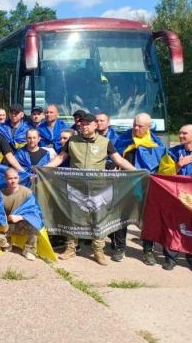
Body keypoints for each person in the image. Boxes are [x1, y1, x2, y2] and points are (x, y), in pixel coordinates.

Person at [46, 113, 135, 265]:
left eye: (87, 124)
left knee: (97, 219)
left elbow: (118, 159)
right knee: (73, 217)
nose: (84, 126)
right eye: (82, 124)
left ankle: (98, 250)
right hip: (75, 187)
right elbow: (60, 158)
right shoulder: (72, 141)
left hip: (97, 188)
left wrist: (136, 171)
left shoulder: (105, 142)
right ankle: (71, 248)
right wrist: (43, 168)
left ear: (95, 125)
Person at [113, 113, 167, 262]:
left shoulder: (156, 143)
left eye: (140, 126)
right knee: (122, 217)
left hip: (146, 185)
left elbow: (163, 166)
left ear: (149, 127)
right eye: (134, 125)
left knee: (148, 219)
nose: (136, 128)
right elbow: (112, 156)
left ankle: (148, 251)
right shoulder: (123, 139)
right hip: (125, 184)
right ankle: (120, 248)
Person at [156, 124, 192, 272]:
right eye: (180, 133)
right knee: (172, 227)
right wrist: (178, 165)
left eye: (184, 133)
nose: (181, 135)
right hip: (176, 197)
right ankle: (170, 258)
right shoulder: (172, 153)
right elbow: (162, 174)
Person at [1, 168, 39, 261]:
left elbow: (35, 212)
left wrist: (20, 217)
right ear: (5, 179)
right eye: (10, 178)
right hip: (5, 224)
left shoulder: (27, 192)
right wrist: (3, 219)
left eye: (15, 178)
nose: (13, 181)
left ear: (19, 178)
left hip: (21, 223)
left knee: (34, 223)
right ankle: (7, 242)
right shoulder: (0, 193)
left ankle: (30, 250)